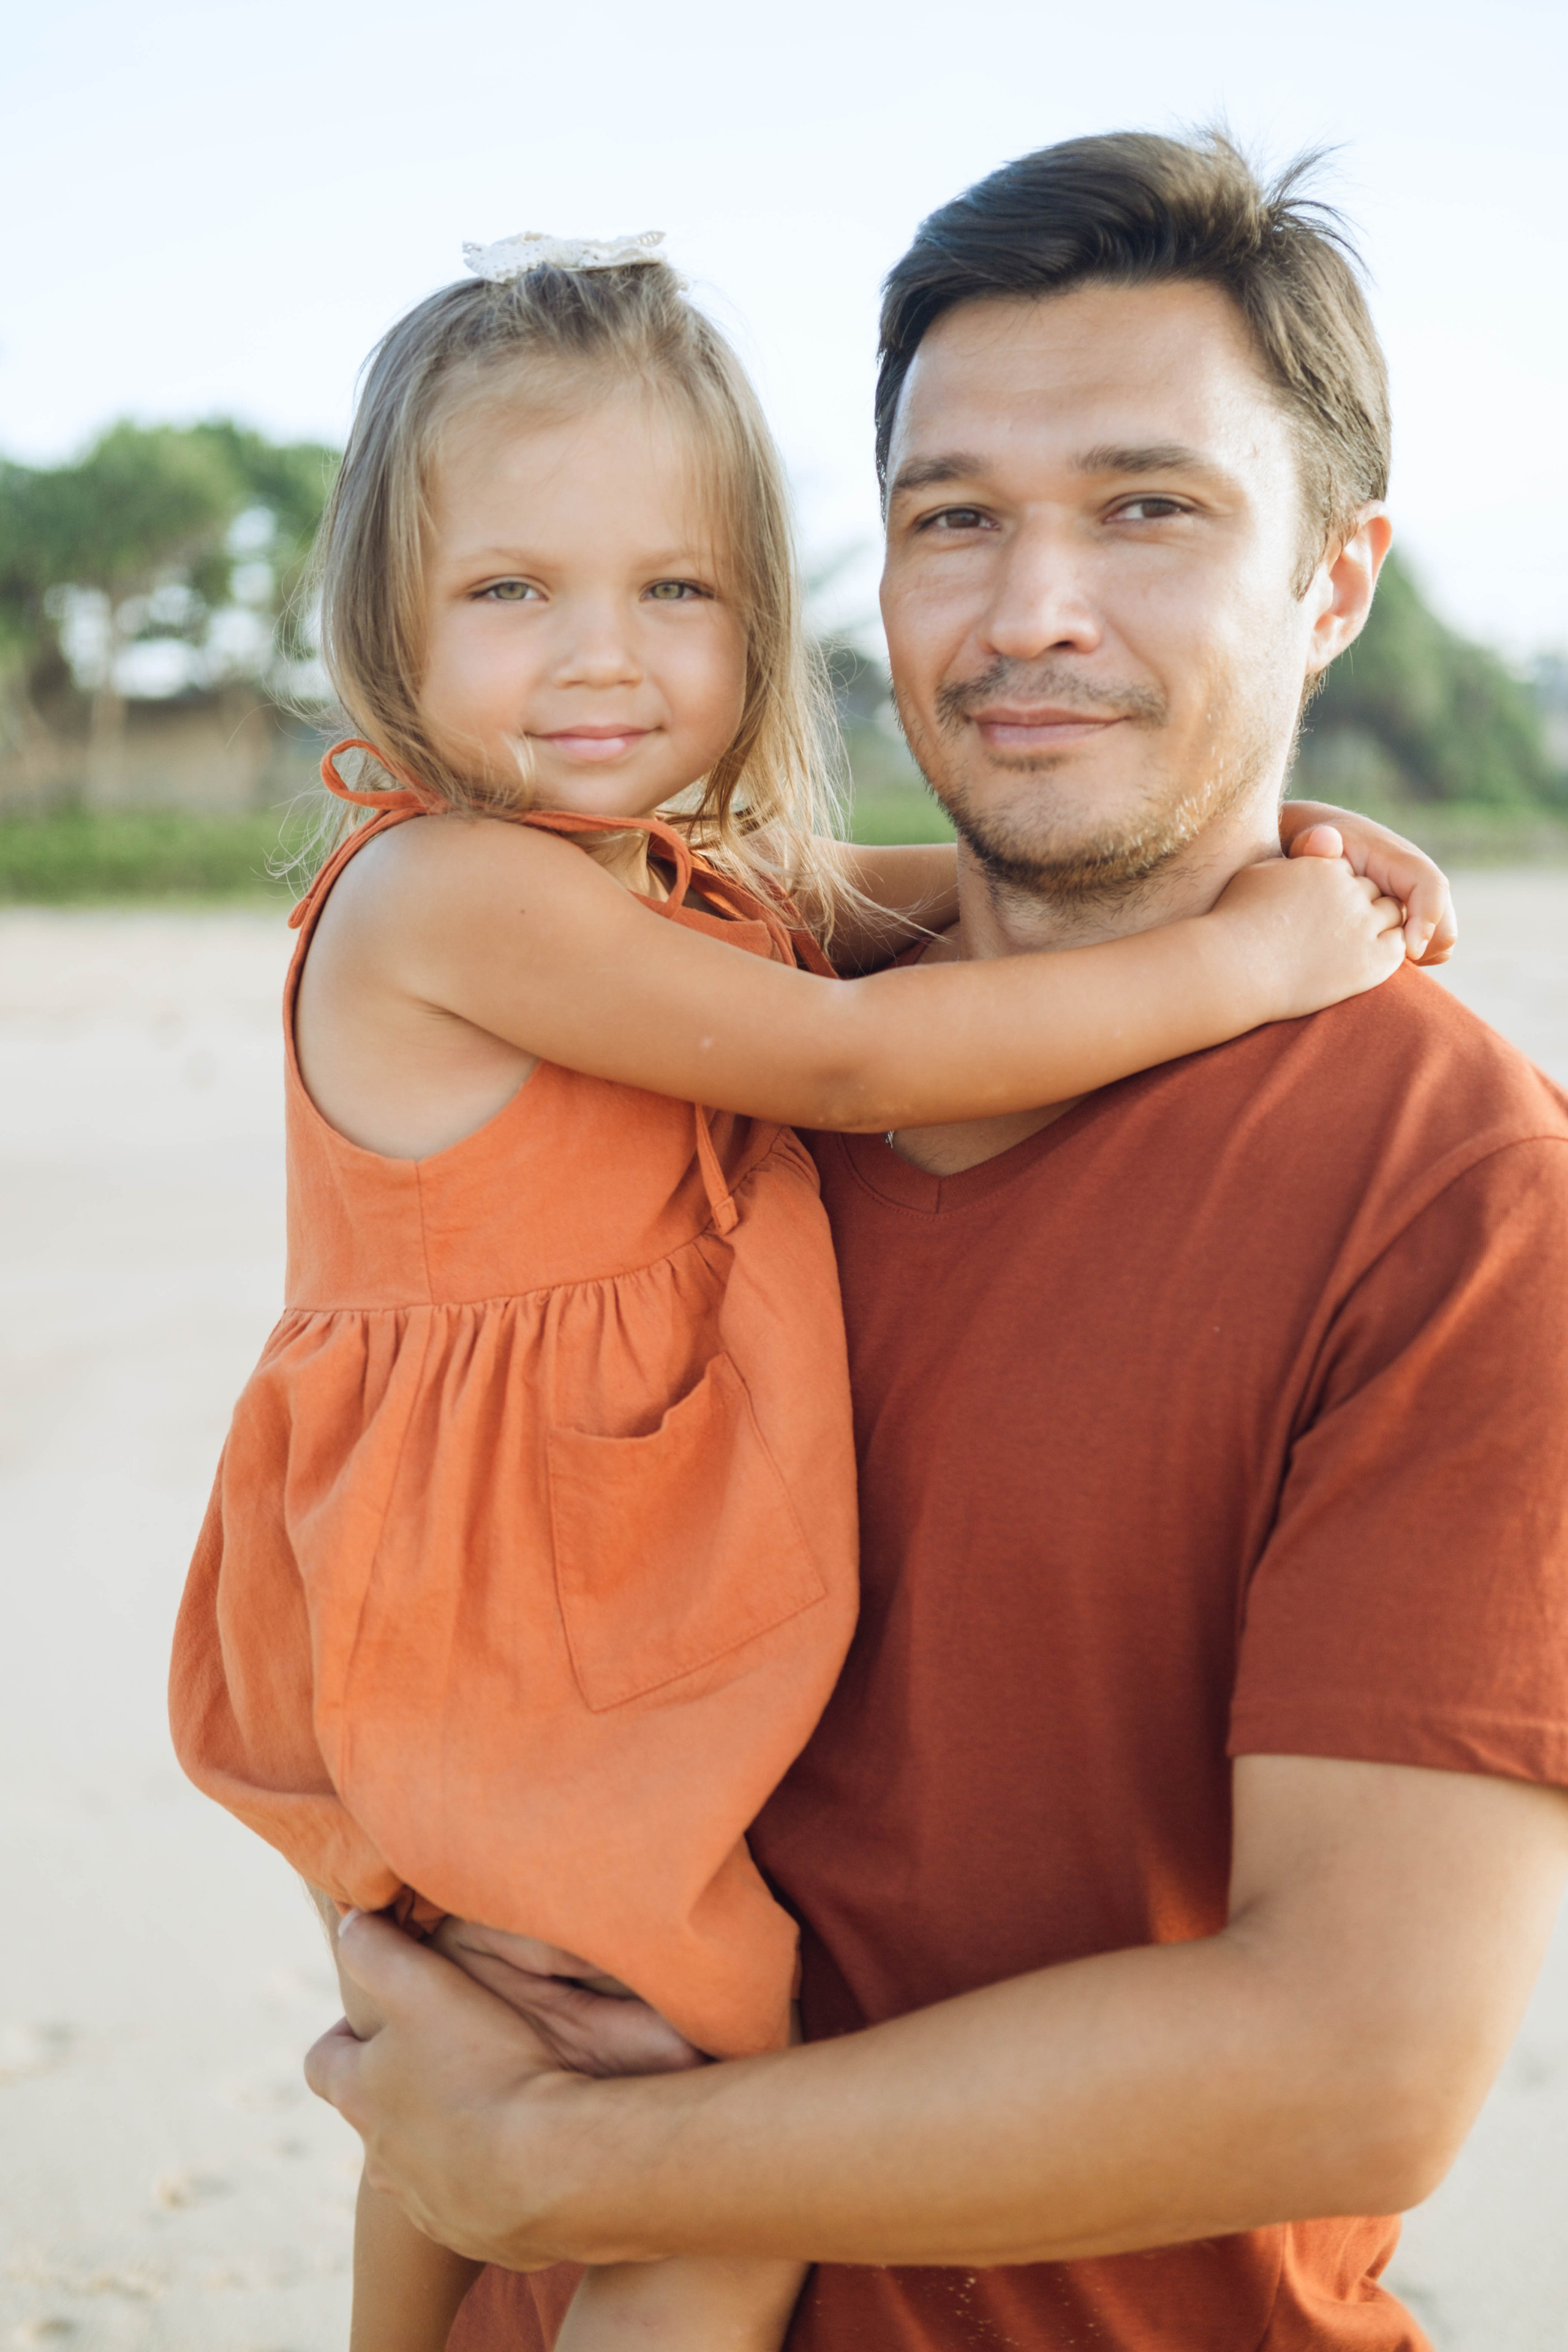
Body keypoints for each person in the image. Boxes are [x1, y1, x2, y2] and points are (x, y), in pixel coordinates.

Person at [302, 132, 1568, 2352]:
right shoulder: (718, 1036)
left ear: (1337, 580)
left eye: (1150, 510)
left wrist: (550, 2162)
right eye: (952, 519)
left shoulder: (1457, 1189)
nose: (1031, 610)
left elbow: (1364, 2060)